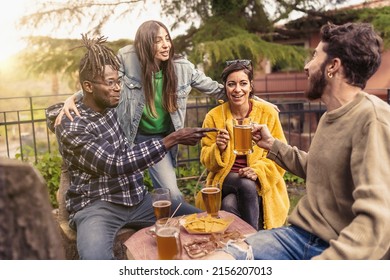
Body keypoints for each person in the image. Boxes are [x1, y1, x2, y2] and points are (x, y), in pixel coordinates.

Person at [217, 22, 390, 260]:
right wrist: (273, 146)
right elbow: (318, 169)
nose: (306, 66)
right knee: (222, 259)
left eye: (314, 56)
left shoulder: (373, 119)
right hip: (299, 237)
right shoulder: (330, 116)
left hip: (336, 246)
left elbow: (376, 224)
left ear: (333, 66)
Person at [55, 20, 278, 204]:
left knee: (174, 196)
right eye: (157, 40)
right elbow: (103, 81)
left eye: (167, 38)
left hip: (163, 140)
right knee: (128, 196)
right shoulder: (127, 59)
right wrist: (72, 98)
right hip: (131, 138)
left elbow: (219, 90)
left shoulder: (183, 68)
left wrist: (257, 100)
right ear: (144, 43)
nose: (165, 45)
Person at [55, 34, 215, 259]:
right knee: (94, 261)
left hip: (138, 200)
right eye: (111, 83)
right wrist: (172, 139)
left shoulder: (113, 106)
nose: (118, 88)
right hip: (97, 207)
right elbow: (113, 163)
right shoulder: (73, 125)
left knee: (206, 222)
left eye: (118, 81)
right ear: (88, 86)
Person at [196, 60, 289, 230]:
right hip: (224, 179)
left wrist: (258, 171)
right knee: (245, 184)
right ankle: (255, 240)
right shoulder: (214, 116)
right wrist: (218, 149)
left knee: (229, 204)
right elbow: (206, 159)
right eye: (231, 84)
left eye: (243, 83)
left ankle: (243, 244)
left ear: (251, 86)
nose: (237, 89)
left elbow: (280, 156)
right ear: (225, 87)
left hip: (259, 182)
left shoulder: (267, 114)